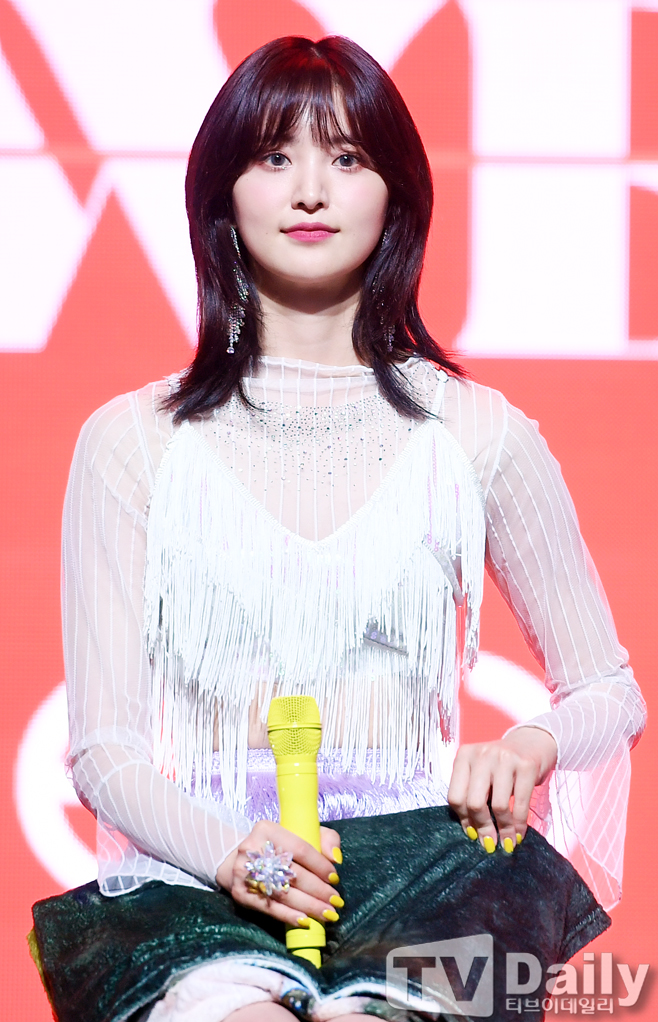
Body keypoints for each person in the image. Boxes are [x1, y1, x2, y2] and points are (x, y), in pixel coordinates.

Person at [31, 35, 645, 1022]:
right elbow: (105, 750)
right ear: (221, 194)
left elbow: (607, 688)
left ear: (397, 194)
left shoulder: (477, 433)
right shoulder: (133, 442)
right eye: (274, 156)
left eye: (348, 157)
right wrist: (234, 855)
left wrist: (531, 741)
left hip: (427, 873)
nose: (310, 190)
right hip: (207, 875)